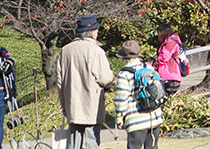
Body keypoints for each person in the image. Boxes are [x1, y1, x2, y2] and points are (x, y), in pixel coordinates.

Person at [58, 14, 114, 149]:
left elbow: (60, 82)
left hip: (72, 104)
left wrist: (64, 104)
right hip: (91, 106)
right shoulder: (96, 50)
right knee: (92, 142)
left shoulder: (65, 51)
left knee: (73, 143)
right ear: (90, 32)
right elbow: (105, 78)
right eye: (96, 30)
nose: (97, 32)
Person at [114, 40, 163, 149]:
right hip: (154, 118)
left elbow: (121, 100)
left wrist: (119, 119)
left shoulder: (124, 74)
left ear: (123, 57)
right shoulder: (149, 68)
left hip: (136, 121)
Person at [152, 23, 183, 96]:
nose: (158, 35)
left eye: (159, 32)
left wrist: (153, 66)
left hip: (170, 76)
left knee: (165, 98)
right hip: (170, 75)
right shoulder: (169, 41)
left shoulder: (170, 43)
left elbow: (164, 57)